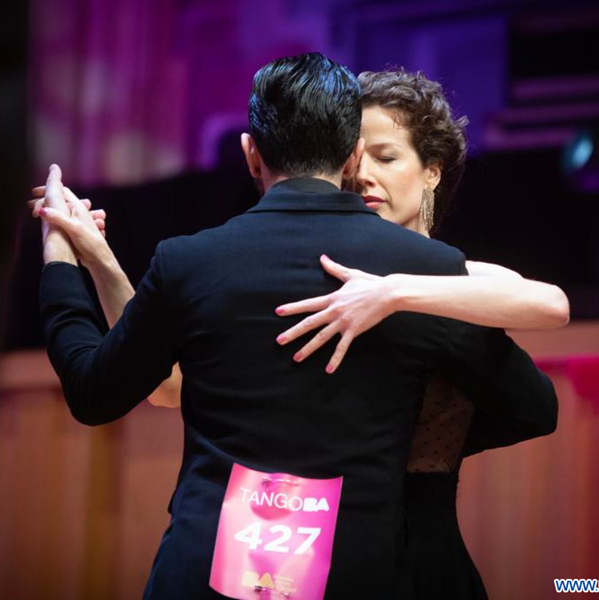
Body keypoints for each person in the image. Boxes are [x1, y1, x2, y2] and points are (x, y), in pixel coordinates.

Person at [36, 53, 557, 599]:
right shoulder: (429, 270)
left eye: (391, 157)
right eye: (369, 155)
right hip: (358, 569)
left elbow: (95, 391)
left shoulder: (191, 260)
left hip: (203, 571)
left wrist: (59, 257)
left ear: (250, 153)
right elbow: (533, 405)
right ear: (350, 153)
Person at [272, 68, 569, 599]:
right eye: (353, 162)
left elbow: (552, 305)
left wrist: (394, 292)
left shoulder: (459, 276)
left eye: (386, 158)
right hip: (303, 537)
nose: (363, 176)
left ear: (431, 172)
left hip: (418, 547)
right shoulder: (318, 276)